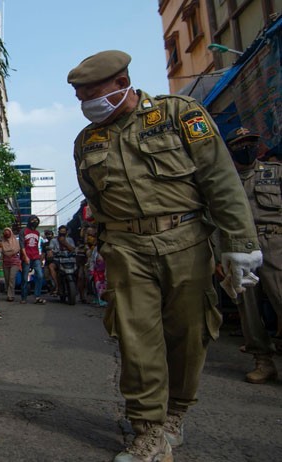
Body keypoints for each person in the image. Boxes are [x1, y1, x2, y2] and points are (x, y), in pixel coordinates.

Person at [68, 50, 262, 461]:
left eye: (94, 94)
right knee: (137, 340)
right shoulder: (86, 141)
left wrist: (240, 245)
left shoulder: (178, 114)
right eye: (80, 98)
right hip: (126, 249)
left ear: (122, 85)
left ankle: (175, 413)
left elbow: (220, 178)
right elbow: (95, 203)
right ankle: (148, 431)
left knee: (189, 335)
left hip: (186, 240)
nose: (87, 105)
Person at [223, 126, 281, 384]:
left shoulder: (275, 173)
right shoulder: (224, 182)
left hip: (274, 241)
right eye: (239, 144)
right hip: (239, 246)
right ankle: (263, 361)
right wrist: (216, 256)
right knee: (249, 308)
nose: (245, 148)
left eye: (250, 142)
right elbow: (215, 219)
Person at [19, 215, 45, 304]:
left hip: (36, 257)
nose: (35, 221)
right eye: (33, 220)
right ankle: (24, 297)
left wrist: (40, 257)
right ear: (29, 221)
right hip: (27, 257)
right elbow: (22, 245)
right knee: (25, 278)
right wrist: (25, 257)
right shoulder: (23, 231)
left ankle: (37, 296)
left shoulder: (37, 233)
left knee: (40, 275)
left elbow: (37, 246)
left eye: (36, 220)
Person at [48, 225, 76, 297]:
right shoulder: (53, 240)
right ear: (58, 232)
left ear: (66, 233)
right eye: (61, 232)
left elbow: (73, 249)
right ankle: (56, 285)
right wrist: (50, 253)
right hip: (58, 260)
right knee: (51, 266)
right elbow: (50, 250)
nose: (62, 233)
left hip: (69, 260)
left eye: (64, 232)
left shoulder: (70, 240)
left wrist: (65, 243)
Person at [0, 227, 22, 302]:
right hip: (6, 262)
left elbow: (16, 250)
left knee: (12, 278)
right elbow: (1, 251)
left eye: (8, 232)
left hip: (14, 262)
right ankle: (8, 292)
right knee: (7, 279)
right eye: (5, 233)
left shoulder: (16, 241)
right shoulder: (2, 242)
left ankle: (10, 295)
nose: (6, 234)